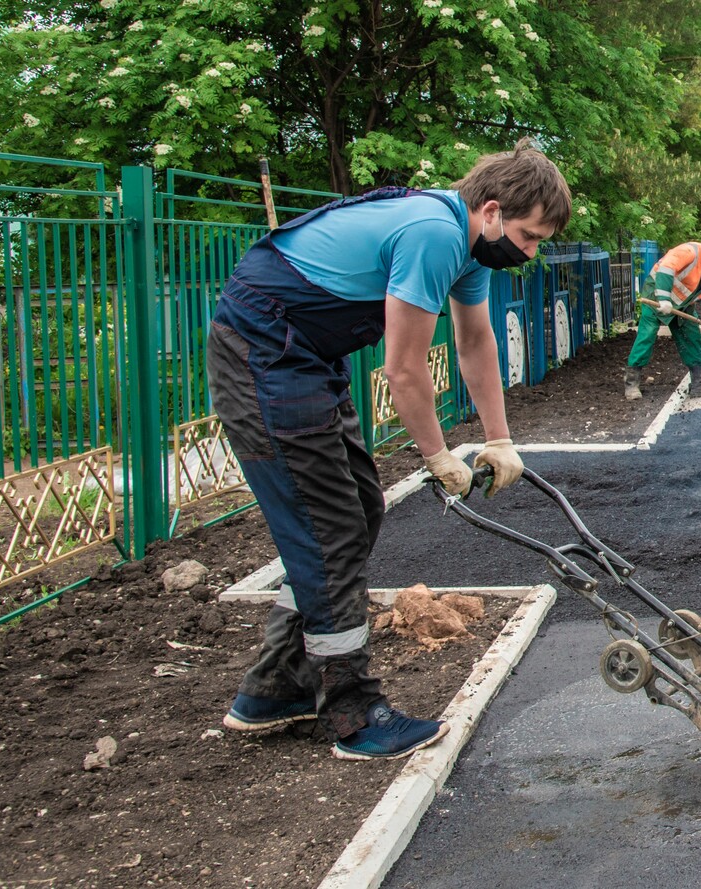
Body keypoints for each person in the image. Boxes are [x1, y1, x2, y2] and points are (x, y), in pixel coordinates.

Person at [212, 139, 570, 760]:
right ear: (491, 212)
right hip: (262, 355)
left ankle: (274, 690)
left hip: (304, 357)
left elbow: (475, 340)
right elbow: (403, 370)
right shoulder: (434, 234)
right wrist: (436, 455)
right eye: (529, 236)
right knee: (328, 530)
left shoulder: (467, 246)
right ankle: (353, 715)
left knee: (357, 511)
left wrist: (499, 438)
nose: (530, 252)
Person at [624, 238, 701, 400]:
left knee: (691, 337)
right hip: (656, 298)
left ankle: (698, 385)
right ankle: (632, 383)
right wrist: (664, 298)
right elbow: (665, 269)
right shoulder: (689, 252)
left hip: (683, 304)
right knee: (646, 336)